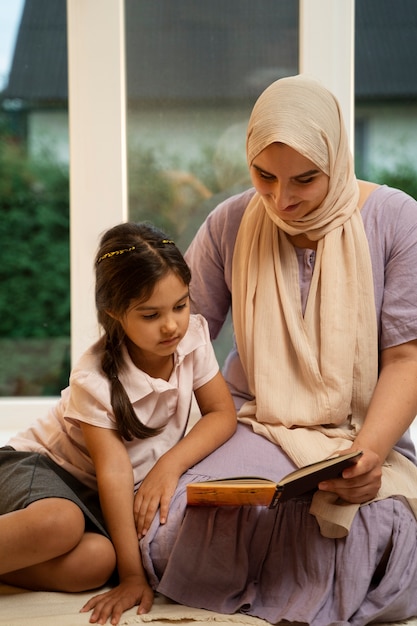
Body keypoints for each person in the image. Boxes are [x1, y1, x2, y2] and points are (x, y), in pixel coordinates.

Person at [139, 75, 417, 626]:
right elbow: (180, 337)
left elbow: (407, 360)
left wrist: (366, 456)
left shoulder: (397, 219)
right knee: (170, 526)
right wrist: (125, 422)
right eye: (264, 176)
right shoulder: (231, 221)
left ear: (335, 160)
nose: (282, 199)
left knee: (372, 535)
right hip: (256, 422)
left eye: (305, 180)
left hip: (357, 432)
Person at [0, 222, 236, 625]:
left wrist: (170, 465)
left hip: (86, 493)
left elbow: (222, 413)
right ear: (114, 311)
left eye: (180, 306)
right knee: (63, 523)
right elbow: (113, 472)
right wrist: (132, 576)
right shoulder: (95, 380)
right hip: (35, 466)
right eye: (150, 314)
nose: (171, 325)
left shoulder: (192, 338)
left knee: (95, 563)